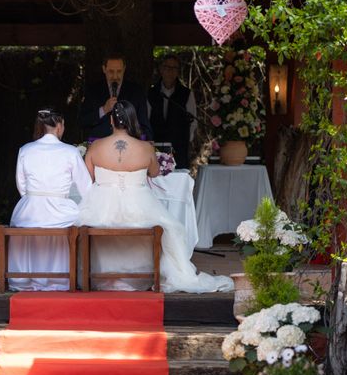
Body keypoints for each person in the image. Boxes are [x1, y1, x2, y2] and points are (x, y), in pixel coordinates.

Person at [77, 100, 233, 293]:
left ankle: (102, 272)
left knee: (81, 224)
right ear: (133, 120)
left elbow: (89, 177)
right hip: (139, 207)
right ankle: (143, 273)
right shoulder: (145, 148)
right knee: (169, 227)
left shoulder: (95, 147)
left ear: (111, 121)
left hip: (101, 209)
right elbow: (154, 172)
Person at [3, 109, 92, 291]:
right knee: (80, 220)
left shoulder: (25, 149)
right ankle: (60, 279)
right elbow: (86, 187)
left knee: (25, 220)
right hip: (61, 212)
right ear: (59, 126)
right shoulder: (70, 151)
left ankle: (25, 278)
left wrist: (36, 200)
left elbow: (22, 186)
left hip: (30, 210)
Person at [80, 53, 153, 141]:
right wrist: (104, 110)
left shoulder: (136, 92)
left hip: (128, 145)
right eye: (111, 71)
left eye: (119, 71)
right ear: (104, 69)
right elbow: (82, 121)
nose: (115, 76)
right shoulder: (93, 91)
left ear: (124, 69)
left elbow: (145, 127)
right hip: (100, 145)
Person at [148, 54, 197, 169]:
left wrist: (186, 139)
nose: (170, 71)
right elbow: (146, 119)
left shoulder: (186, 94)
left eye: (174, 68)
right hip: (156, 146)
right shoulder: (151, 93)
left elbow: (193, 121)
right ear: (161, 69)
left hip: (179, 148)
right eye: (167, 67)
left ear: (178, 71)